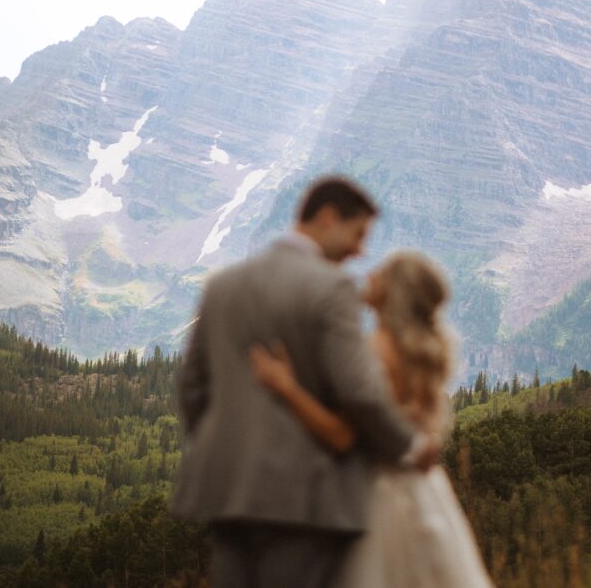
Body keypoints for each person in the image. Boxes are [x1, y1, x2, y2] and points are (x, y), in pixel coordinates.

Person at [172, 176, 436, 588]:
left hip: (226, 491)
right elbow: (358, 391)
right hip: (304, 498)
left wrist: (223, 448)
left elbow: (191, 387)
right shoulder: (332, 288)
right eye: (358, 233)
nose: (360, 250)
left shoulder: (222, 286)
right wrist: (409, 444)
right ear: (328, 219)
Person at [249, 251, 494, 587]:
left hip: (377, 496)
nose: (370, 277)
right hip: (426, 491)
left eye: (380, 274)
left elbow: (341, 435)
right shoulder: (418, 353)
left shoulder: (373, 351)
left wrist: (286, 388)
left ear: (393, 292)